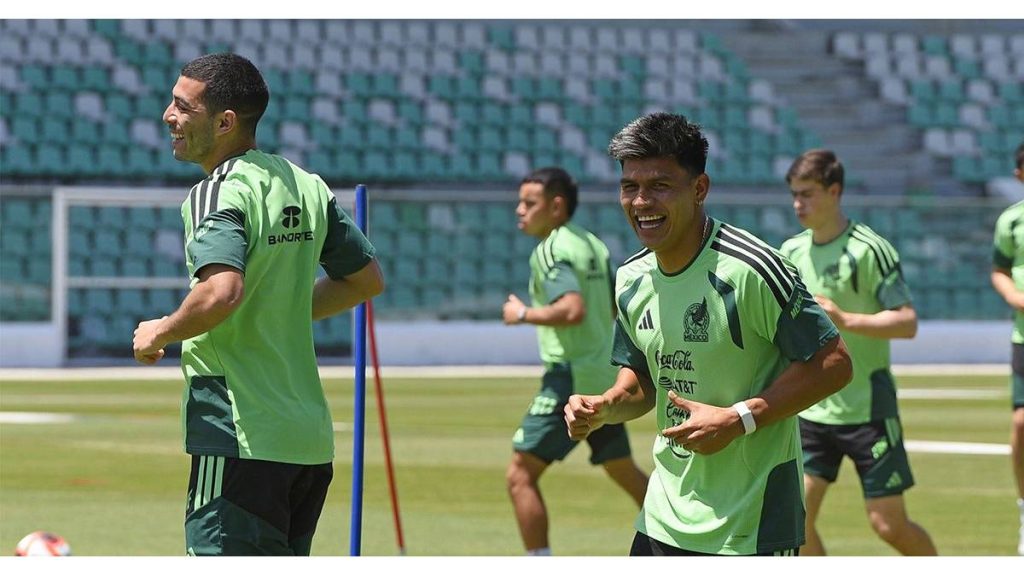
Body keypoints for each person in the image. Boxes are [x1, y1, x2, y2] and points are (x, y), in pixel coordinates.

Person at [564, 112, 853, 556]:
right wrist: (605, 406)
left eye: (660, 185)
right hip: (663, 518)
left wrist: (739, 419)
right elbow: (641, 380)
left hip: (750, 525)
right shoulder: (629, 279)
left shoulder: (752, 269)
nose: (641, 201)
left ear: (699, 188)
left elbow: (833, 362)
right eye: (629, 186)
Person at [132, 53, 384, 556]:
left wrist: (161, 330)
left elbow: (221, 291)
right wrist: (278, 309)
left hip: (239, 433)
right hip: (308, 442)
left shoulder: (217, 192)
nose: (168, 115)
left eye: (183, 106)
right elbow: (366, 281)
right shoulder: (307, 184)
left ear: (225, 122)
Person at [779, 149, 937, 556]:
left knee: (888, 525)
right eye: (794, 194)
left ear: (835, 191)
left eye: (808, 194)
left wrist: (845, 319)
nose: (798, 204)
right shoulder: (790, 253)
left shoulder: (870, 250)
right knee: (795, 521)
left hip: (868, 408)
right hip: (812, 409)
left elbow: (907, 322)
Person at [501, 167, 649, 555]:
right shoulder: (592, 244)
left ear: (556, 206)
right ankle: (684, 544)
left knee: (520, 475)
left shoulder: (552, 249)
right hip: (603, 375)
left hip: (571, 379)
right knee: (622, 469)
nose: (519, 210)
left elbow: (571, 309)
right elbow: (614, 305)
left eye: (529, 203)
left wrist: (521, 314)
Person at [991, 141, 1024, 556]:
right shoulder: (1011, 222)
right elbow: (999, 270)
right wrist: (1014, 295)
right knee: (1021, 425)